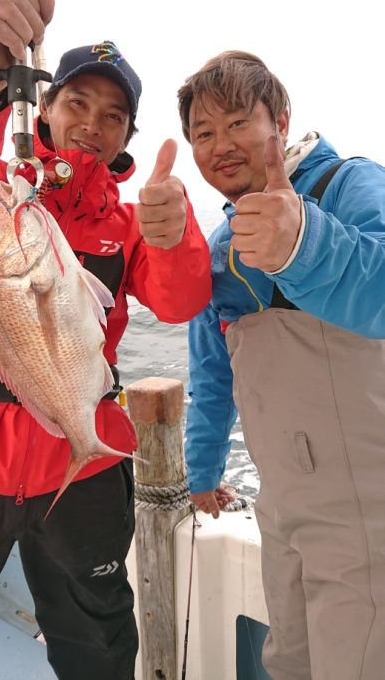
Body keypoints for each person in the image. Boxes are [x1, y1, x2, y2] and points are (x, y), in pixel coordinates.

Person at [0, 0, 211, 680]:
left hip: (83, 461)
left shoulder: (129, 225)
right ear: (46, 108)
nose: (93, 119)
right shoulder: (1, 191)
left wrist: (175, 233)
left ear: (127, 135)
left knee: (98, 638)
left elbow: (180, 303)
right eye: (77, 101)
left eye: (113, 113)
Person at [177, 49, 385, 680]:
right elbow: (214, 371)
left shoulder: (350, 185)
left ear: (281, 119)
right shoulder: (222, 248)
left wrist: (303, 245)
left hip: (368, 506)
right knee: (288, 658)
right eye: (203, 134)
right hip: (280, 503)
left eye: (239, 122)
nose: (222, 146)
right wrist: (204, 465)